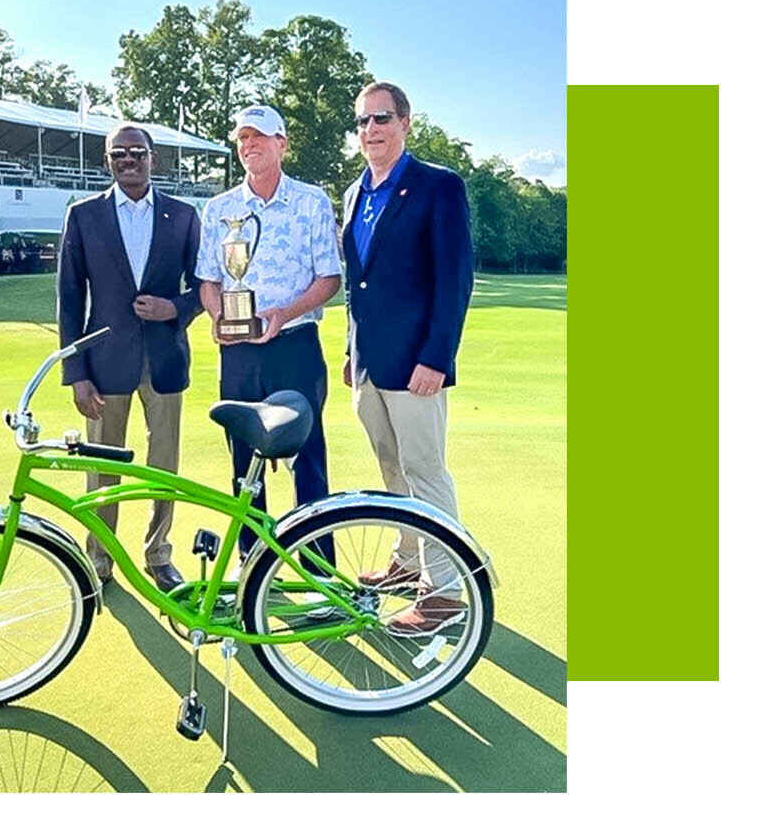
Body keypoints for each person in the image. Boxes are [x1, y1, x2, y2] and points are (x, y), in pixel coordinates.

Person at [341, 81, 475, 635]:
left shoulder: (438, 186)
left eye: (382, 118)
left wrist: (437, 357)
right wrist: (351, 348)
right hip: (370, 363)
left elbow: (454, 279)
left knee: (425, 471)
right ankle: (408, 559)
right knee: (392, 468)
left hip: (418, 363)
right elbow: (359, 283)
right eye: (363, 121)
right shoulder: (354, 193)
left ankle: (444, 592)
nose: (371, 130)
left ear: (405, 123)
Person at [58, 126, 203, 591]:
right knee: (102, 469)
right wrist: (76, 373)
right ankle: (99, 559)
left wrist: (174, 309)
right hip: (103, 364)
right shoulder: (83, 216)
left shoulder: (183, 215)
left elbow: (203, 286)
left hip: (165, 361)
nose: (128, 160)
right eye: (118, 153)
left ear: (152, 158)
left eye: (137, 152)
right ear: (107, 161)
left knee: (164, 466)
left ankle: (159, 554)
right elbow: (68, 299)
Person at [197, 106, 342, 565]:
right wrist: (219, 317)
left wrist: (284, 313)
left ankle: (319, 568)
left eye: (258, 136)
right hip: (238, 352)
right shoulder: (219, 209)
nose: (249, 145)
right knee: (244, 462)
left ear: (282, 143)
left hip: (295, 345)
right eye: (242, 138)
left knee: (309, 458)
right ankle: (254, 564)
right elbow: (209, 280)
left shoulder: (311, 201)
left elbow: (329, 279)